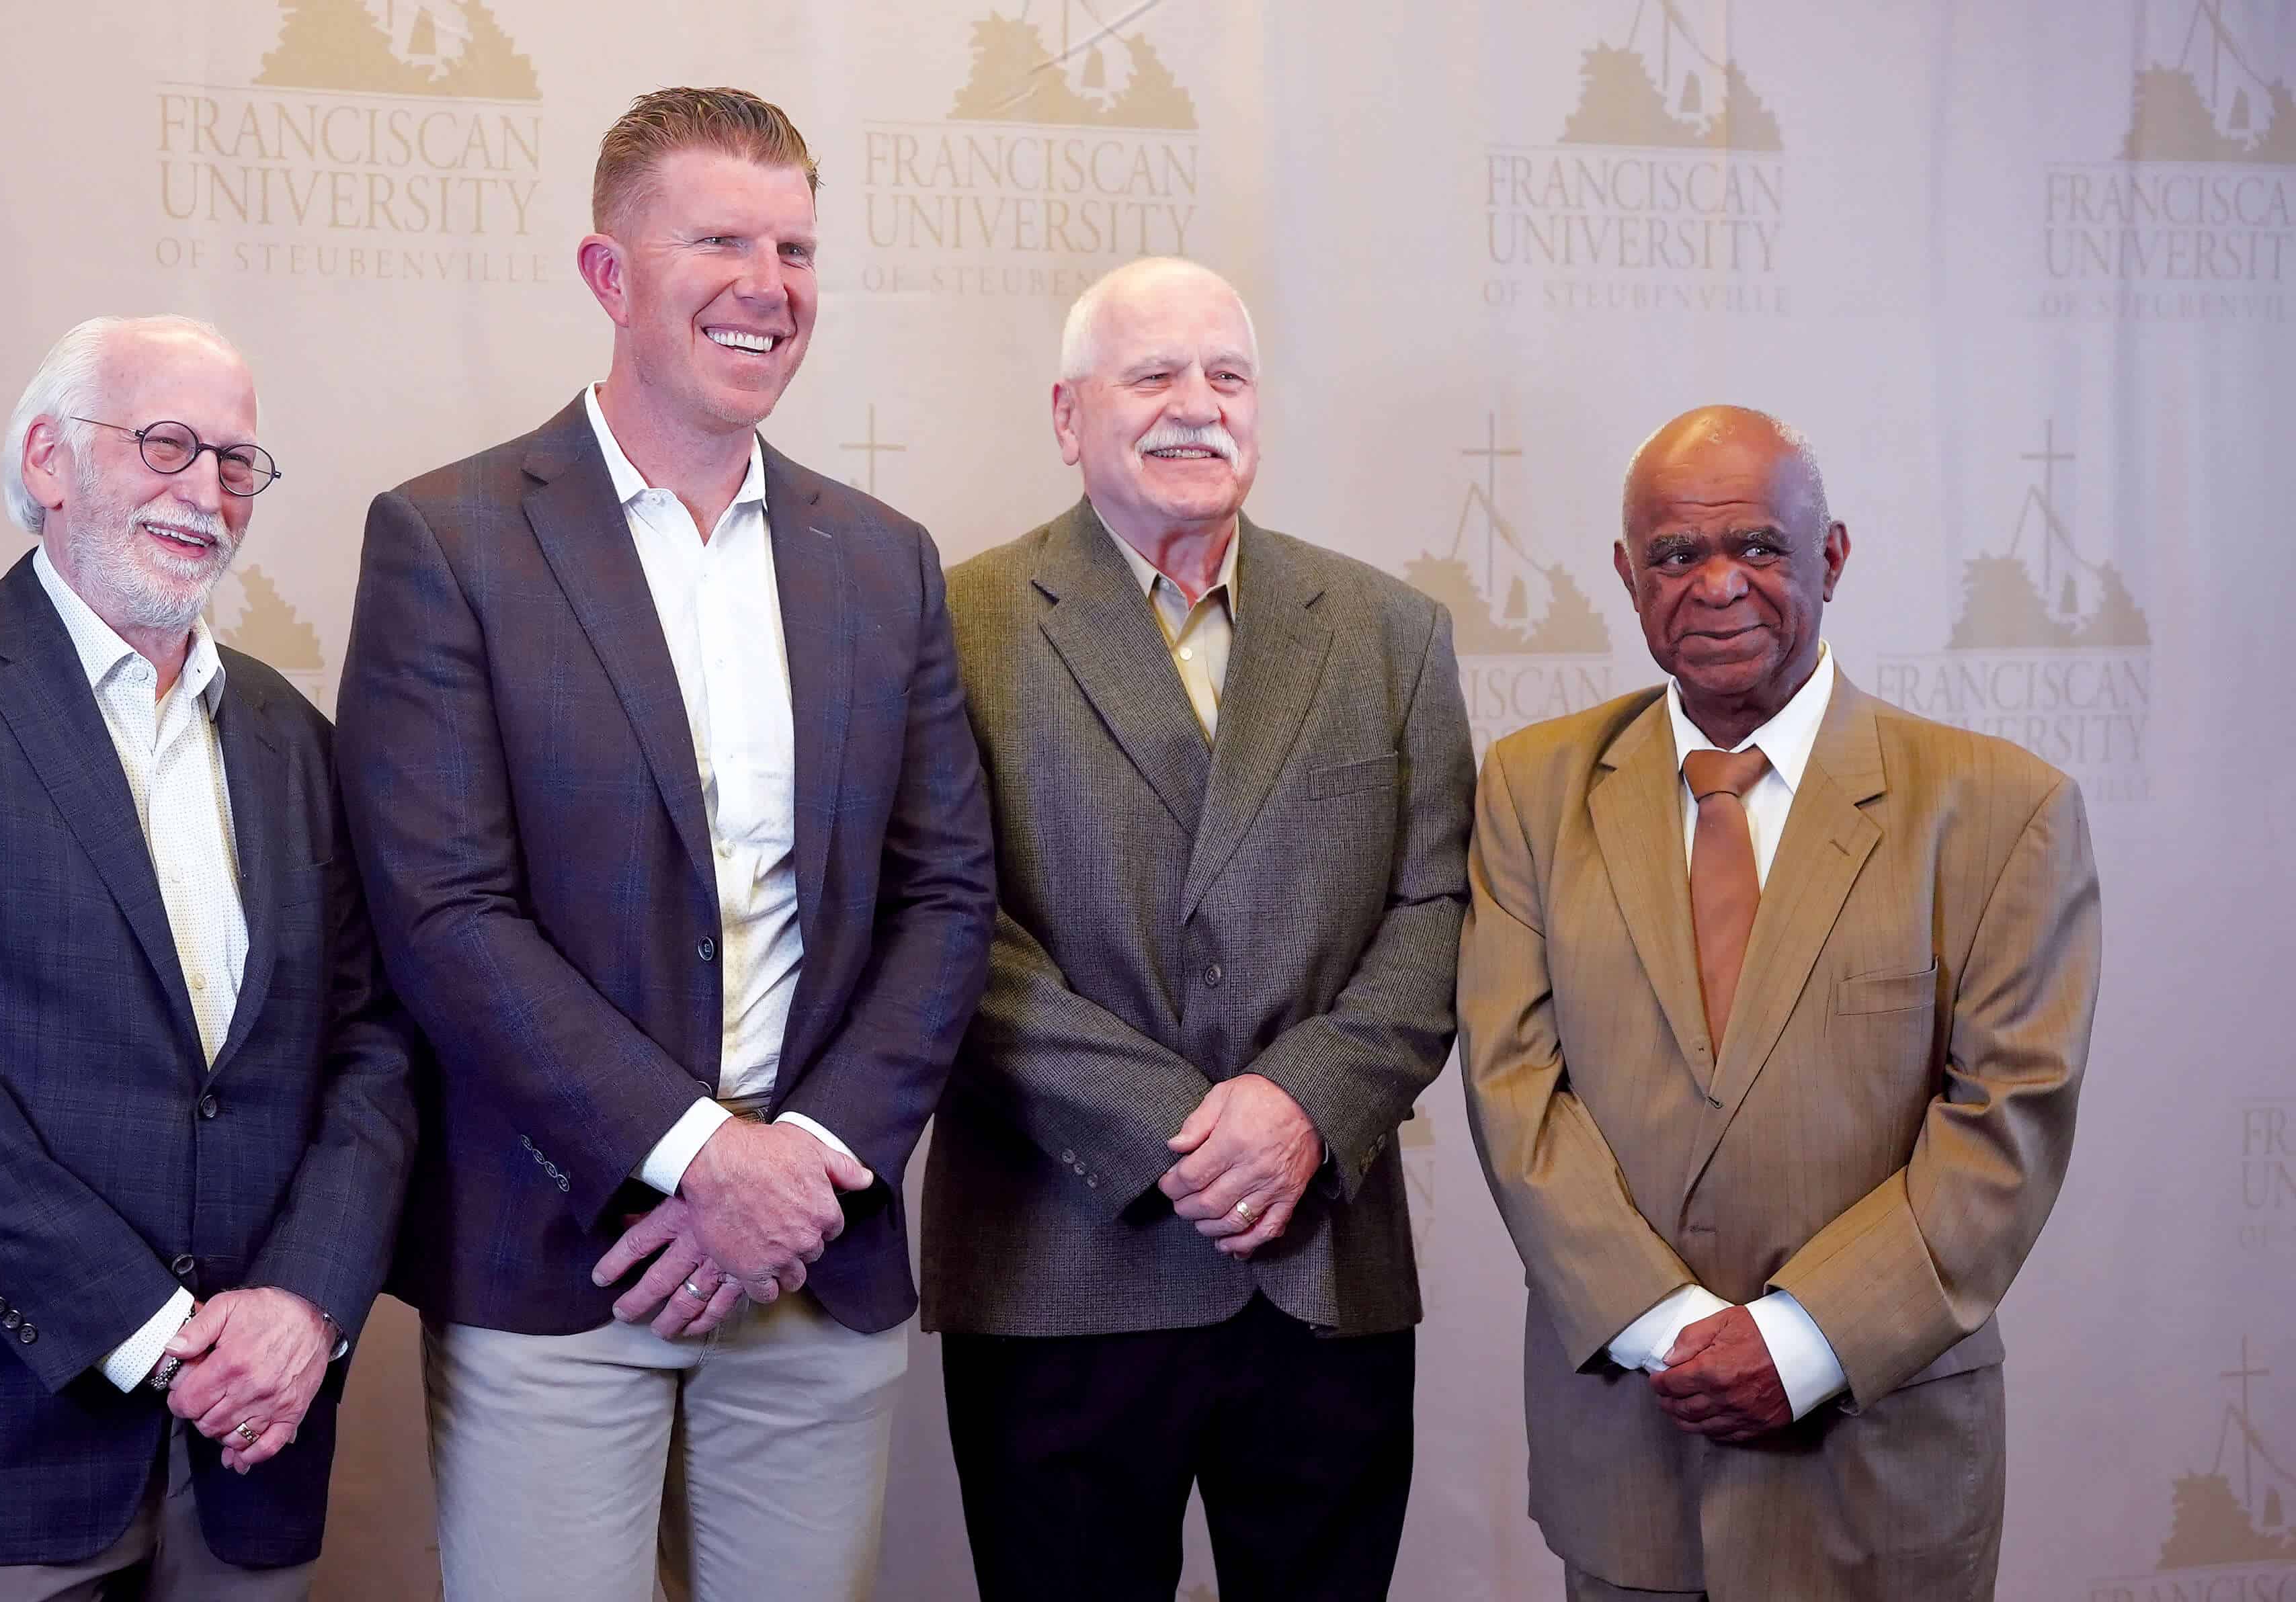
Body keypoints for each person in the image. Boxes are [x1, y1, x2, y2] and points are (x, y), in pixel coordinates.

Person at [333, 87, 995, 1601]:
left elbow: (947, 895)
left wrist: (801, 1169)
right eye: (718, 241)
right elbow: (443, 913)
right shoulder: (448, 539)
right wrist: (697, 1161)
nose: (768, 287)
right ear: (606, 275)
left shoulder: (881, 560)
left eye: (797, 249)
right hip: (554, 1253)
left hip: (814, 1262)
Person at [0, 314, 418, 1599]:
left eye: (238, 462)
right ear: (48, 460)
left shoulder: (300, 739)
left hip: (254, 1436)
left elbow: (374, 1046)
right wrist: (159, 1337)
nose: (207, 492)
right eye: (165, 443)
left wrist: (308, 1302)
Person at [1459, 405, 2100, 1600]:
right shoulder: (1531, 791)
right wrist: (1668, 1332)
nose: (1716, 586)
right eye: (1674, 555)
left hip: (1879, 1468)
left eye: (1757, 546)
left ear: (1833, 557)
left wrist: (1801, 1343)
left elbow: (2006, 1128)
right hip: (1629, 1462)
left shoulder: (2001, 810)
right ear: (1624, 573)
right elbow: (1512, 1087)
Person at [925, 256, 1474, 1602]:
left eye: (1225, 376)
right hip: (1060, 1268)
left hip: (1319, 1264)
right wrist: (1175, 1129)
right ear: (1067, 417)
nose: (1195, 407)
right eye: (1151, 375)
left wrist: (1300, 1105)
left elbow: (1438, 908)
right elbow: (941, 925)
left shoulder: (1389, 631)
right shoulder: (948, 622)